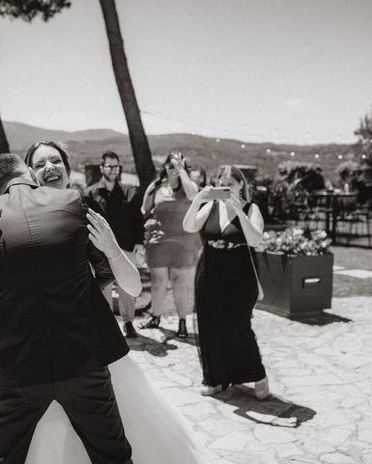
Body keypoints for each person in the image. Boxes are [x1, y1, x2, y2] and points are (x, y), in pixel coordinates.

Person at [0, 154, 225, 464]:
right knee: (113, 459)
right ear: (28, 173)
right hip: (82, 359)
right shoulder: (74, 203)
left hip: (15, 365)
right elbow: (123, 282)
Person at [182, 165, 269, 399]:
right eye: (222, 184)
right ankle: (215, 379)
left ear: (240, 185)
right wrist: (198, 199)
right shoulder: (211, 206)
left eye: (230, 183)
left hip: (240, 274)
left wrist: (237, 210)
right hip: (210, 270)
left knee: (238, 326)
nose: (226, 188)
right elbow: (189, 226)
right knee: (209, 325)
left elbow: (255, 239)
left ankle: (257, 374)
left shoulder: (252, 208)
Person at [84, 151, 144, 338]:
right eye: (109, 166)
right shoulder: (89, 193)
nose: (113, 170)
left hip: (126, 247)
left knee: (127, 288)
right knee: (104, 289)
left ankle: (128, 323)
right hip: (99, 249)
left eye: (116, 166)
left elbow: (138, 220)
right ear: (102, 168)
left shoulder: (130, 192)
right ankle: (108, 325)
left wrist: (140, 242)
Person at [140, 152, 200, 338]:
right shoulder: (156, 186)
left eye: (178, 166)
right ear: (165, 167)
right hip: (158, 240)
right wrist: (148, 220)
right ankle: (155, 317)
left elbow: (193, 196)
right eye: (170, 165)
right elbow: (144, 209)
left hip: (184, 242)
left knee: (179, 282)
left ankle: (182, 322)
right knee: (158, 282)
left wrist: (181, 172)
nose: (173, 169)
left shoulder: (189, 186)